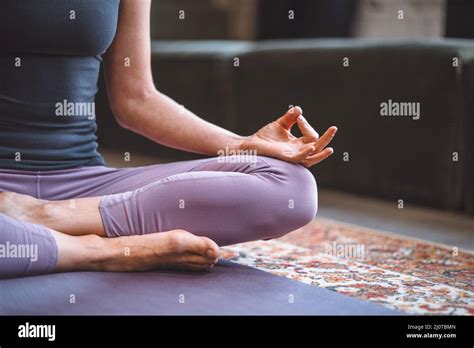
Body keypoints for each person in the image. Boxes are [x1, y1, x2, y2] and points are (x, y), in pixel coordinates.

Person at [0, 0, 337, 278]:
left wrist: (240, 144)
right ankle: (103, 251)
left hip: (82, 184)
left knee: (292, 187)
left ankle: (47, 218)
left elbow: (137, 99)